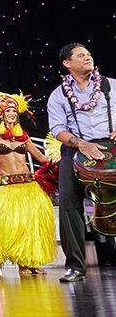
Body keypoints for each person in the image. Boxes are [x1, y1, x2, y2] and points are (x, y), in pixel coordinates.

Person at [47, 43, 116, 283]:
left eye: (88, 54)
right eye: (81, 55)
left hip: (111, 144)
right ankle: (76, 266)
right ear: (67, 63)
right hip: (76, 146)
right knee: (68, 202)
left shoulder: (111, 85)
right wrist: (81, 144)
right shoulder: (59, 95)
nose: (88, 57)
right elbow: (57, 128)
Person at [0, 88, 56, 276]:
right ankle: (9, 264)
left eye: (14, 111)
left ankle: (30, 262)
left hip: (29, 186)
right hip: (6, 188)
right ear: (0, 115)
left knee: (31, 225)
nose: (12, 114)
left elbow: (41, 158)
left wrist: (60, 154)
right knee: (10, 226)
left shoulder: (24, 136)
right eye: (8, 111)